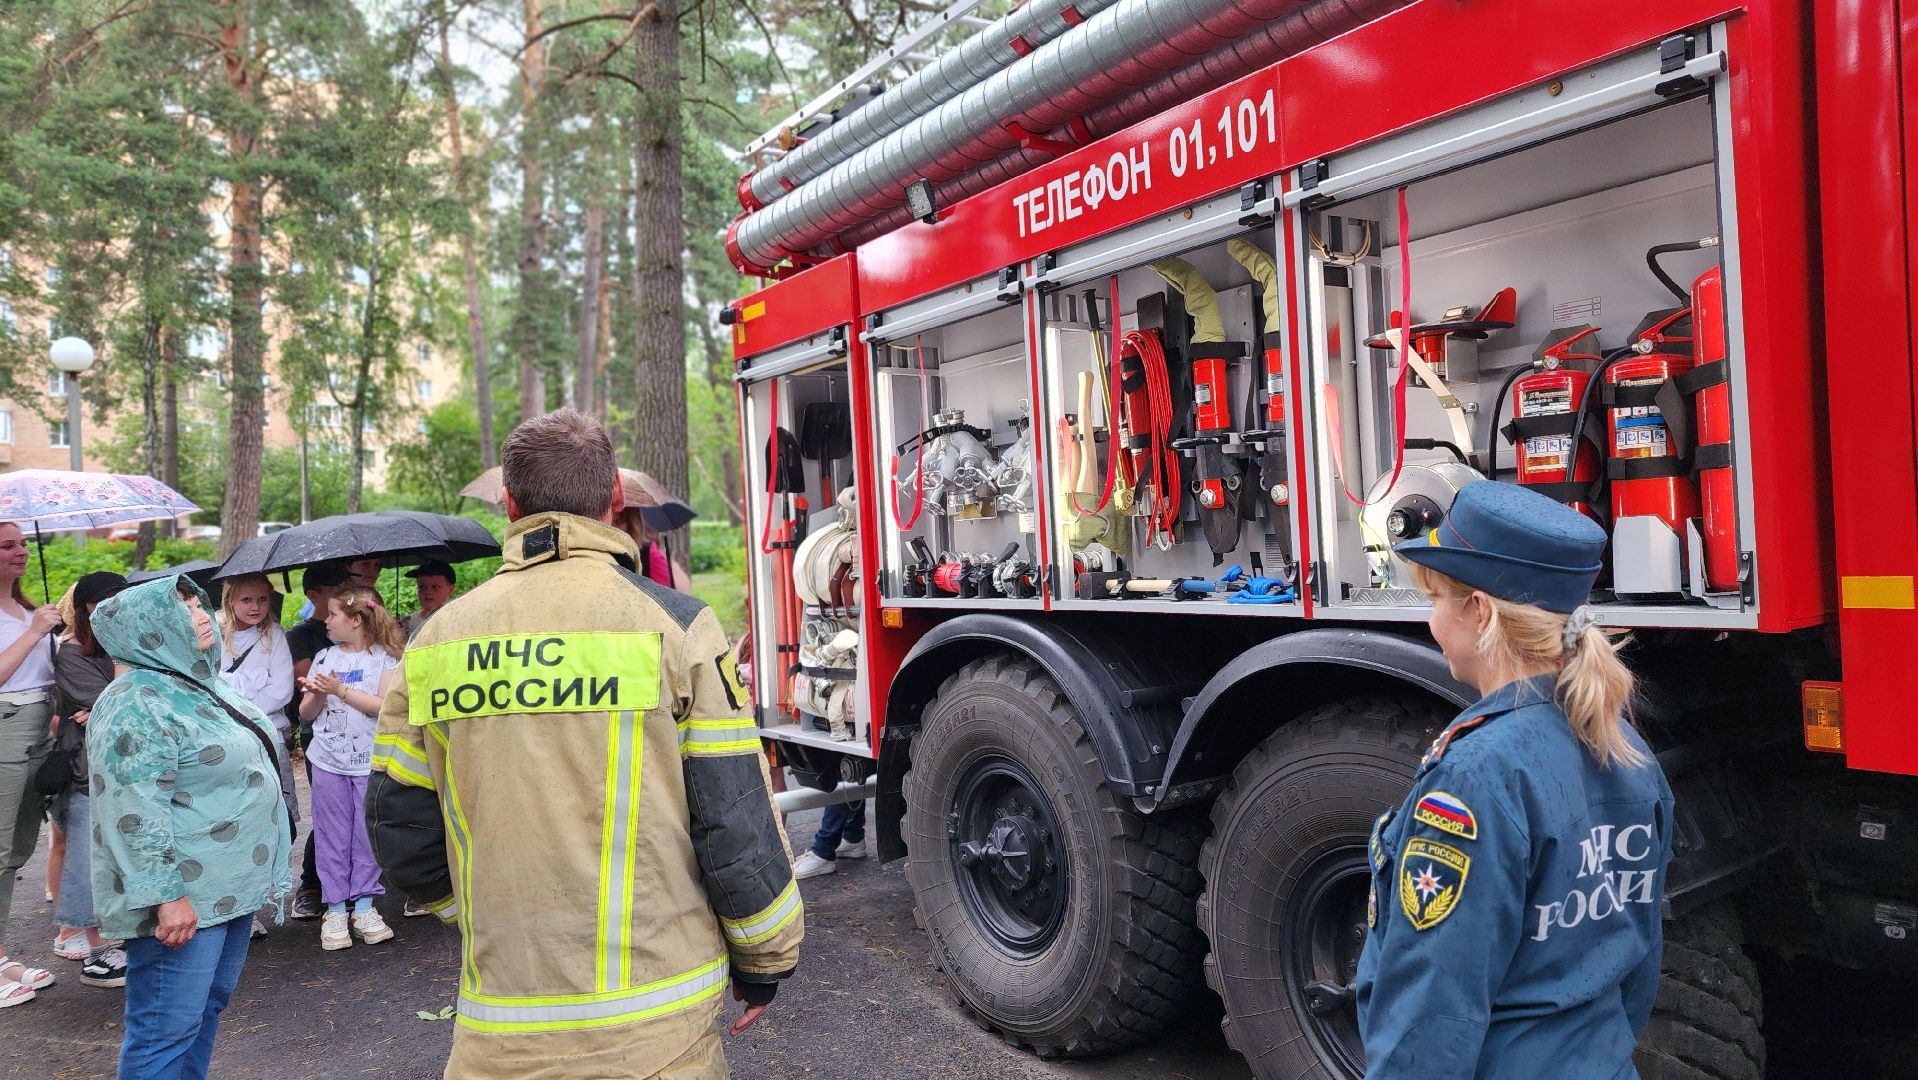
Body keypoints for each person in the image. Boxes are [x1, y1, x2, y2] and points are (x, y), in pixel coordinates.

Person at [369, 408, 802, 1080]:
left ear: (510, 506)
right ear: (615, 502)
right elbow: (735, 813)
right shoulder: (675, 626)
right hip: (660, 1028)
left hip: (502, 1028)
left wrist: (476, 911)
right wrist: (764, 959)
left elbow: (399, 823)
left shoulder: (436, 640)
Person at [1355, 481, 1675, 1078]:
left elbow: (1433, 1007)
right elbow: (1638, 960)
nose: (1431, 621)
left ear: (1479, 610)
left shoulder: (1476, 779)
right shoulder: (1627, 748)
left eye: (1436, 600)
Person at [86, 576, 291, 1079]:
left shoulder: (195, 680)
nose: (200, 614)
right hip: (185, 898)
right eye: (180, 608)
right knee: (164, 1028)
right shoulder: (136, 700)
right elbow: (131, 811)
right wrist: (166, 896)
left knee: (202, 1012)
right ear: (146, 627)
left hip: (226, 888)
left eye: (196, 602)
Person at [296, 585, 401, 950]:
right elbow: (305, 714)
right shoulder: (325, 657)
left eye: (334, 614)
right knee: (331, 835)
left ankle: (366, 906)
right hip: (328, 762)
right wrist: (319, 694)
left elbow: (383, 706)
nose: (326, 620)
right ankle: (336, 909)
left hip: (369, 763)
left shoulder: (386, 659)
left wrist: (340, 692)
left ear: (355, 620)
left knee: (365, 835)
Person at [49, 571, 132, 989]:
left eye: (121, 597)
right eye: (104, 601)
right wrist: (110, 697)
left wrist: (107, 704)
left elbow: (134, 697)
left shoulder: (131, 639)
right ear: (85, 608)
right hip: (85, 768)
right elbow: (116, 699)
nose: (114, 607)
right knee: (86, 850)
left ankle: (116, 937)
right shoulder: (73, 652)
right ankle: (95, 949)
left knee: (124, 850)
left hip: (130, 765)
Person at [0, 521, 64, 1006]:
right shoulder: (28, 618)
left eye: (23, 542)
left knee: (18, 846)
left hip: (41, 725)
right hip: (6, 725)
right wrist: (37, 631)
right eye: (8, 545)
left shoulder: (24, 606)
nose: (21, 551)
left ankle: (1, 956)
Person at [217, 573, 298, 936]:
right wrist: (240, 701)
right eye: (247, 600)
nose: (255, 607)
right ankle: (235, 903)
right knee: (231, 820)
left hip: (267, 737)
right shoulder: (215, 635)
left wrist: (240, 708)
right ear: (230, 600)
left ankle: (258, 895)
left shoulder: (273, 636)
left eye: (262, 600)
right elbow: (210, 684)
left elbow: (280, 689)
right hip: (225, 740)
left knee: (269, 816)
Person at [284, 561, 349, 920]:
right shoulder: (302, 635)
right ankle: (311, 884)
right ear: (313, 594)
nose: (343, 593)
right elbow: (306, 683)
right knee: (328, 812)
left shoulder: (358, 630)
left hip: (359, 731)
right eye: (334, 588)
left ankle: (354, 886)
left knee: (358, 809)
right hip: (319, 733)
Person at [400, 560, 456, 640]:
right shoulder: (407, 624)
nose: (428, 592)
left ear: (450, 589)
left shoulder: (457, 619)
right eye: (422, 587)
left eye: (435, 587)